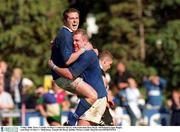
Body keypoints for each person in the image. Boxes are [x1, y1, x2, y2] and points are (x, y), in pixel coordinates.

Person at [49, 29, 107, 125]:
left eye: (77, 41)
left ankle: (71, 120)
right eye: (73, 41)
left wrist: (54, 67)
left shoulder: (87, 55)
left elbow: (70, 74)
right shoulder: (81, 53)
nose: (73, 43)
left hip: (96, 100)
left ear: (85, 42)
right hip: (93, 99)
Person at [50, 8, 98, 125]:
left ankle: (78, 121)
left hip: (63, 76)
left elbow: (57, 47)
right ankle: (71, 122)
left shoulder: (67, 34)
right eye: (72, 18)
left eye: (77, 18)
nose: (75, 21)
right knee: (93, 95)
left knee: (89, 103)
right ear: (65, 20)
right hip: (63, 77)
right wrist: (83, 50)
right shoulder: (66, 34)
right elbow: (67, 60)